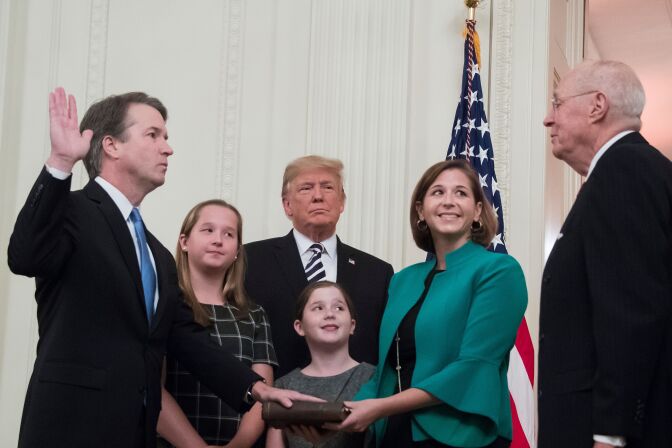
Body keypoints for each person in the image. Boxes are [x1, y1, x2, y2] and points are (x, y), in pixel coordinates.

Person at [6, 88, 315, 448]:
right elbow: (24, 256)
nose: (167, 148)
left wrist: (256, 389)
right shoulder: (72, 212)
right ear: (111, 145)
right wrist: (60, 164)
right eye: (153, 135)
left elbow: (186, 339)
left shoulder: (156, 253)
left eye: (165, 137)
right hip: (70, 428)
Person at [333, 160, 527, 447]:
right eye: (438, 192)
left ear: (477, 212)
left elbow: (474, 367)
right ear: (421, 210)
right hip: (394, 433)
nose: (448, 201)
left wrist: (382, 407)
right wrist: (338, 418)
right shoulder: (402, 281)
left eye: (460, 193)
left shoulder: (498, 271)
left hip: (461, 434)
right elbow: (385, 370)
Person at [538, 60, 672, 448]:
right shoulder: (627, 171)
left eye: (557, 103)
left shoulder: (624, 171)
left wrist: (611, 434)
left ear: (597, 106)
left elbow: (631, 313)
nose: (549, 118)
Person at [244, 155, 393, 377]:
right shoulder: (250, 260)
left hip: (355, 404)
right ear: (287, 205)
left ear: (342, 202)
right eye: (306, 188)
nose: (318, 196)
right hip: (272, 402)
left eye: (328, 187)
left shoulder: (377, 273)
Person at [157, 200, 278, 447]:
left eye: (229, 233)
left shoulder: (254, 314)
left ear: (237, 251)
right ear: (184, 242)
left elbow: (262, 391)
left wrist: (238, 445)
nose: (218, 240)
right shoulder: (163, 306)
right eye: (208, 230)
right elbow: (152, 388)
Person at [266, 281, 375, 448]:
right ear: (299, 326)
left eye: (339, 308)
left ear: (352, 325)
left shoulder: (374, 378)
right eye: (318, 308)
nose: (330, 314)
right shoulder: (283, 387)